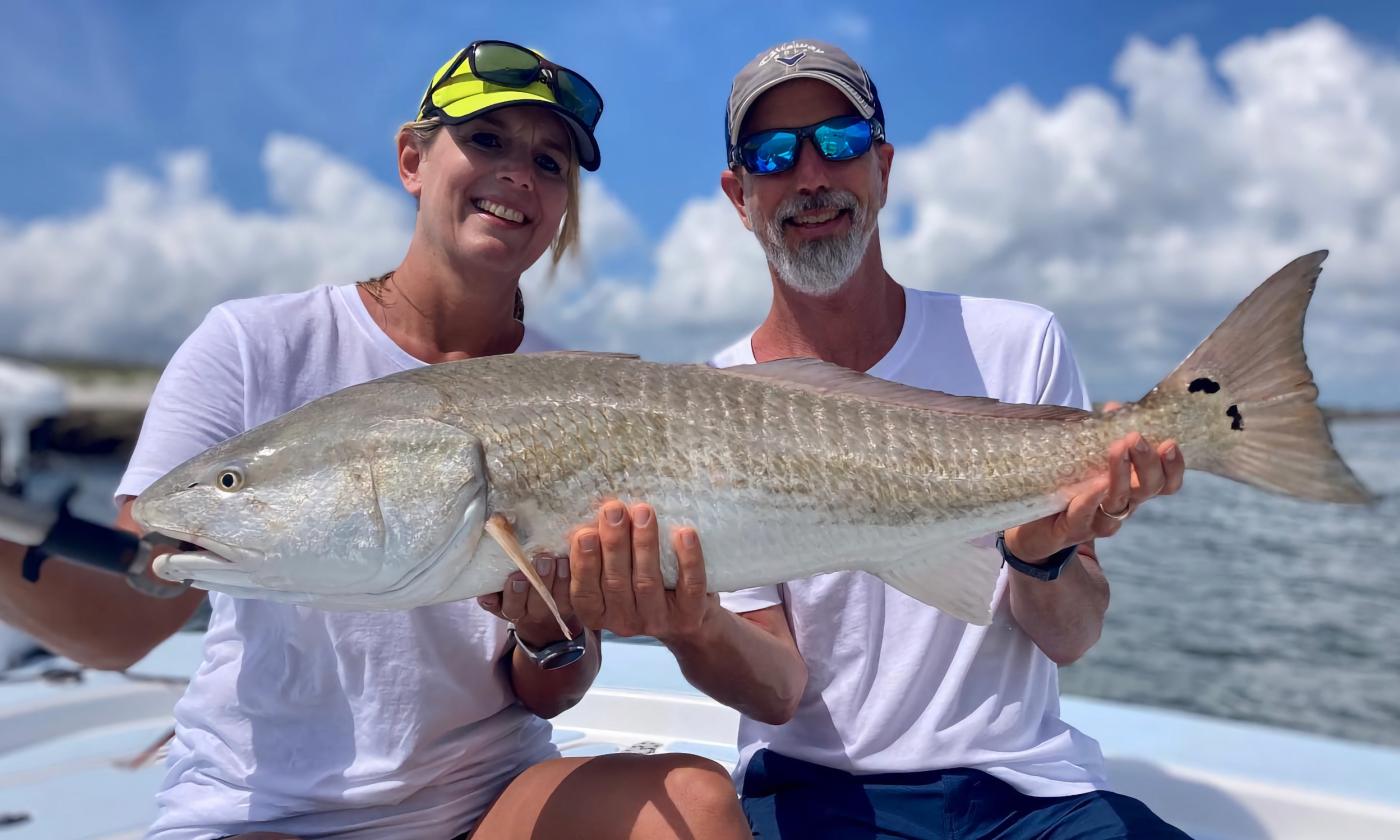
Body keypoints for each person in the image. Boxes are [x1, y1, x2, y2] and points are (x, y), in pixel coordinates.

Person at [0, 41, 747, 840]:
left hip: (488, 797)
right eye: (487, 139)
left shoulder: (579, 389)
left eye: (551, 162)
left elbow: (550, 690)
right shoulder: (254, 345)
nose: (520, 175)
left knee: (694, 808)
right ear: (411, 160)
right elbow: (127, 618)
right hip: (264, 812)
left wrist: (547, 636)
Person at [570, 40, 1192, 838]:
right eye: (771, 154)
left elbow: (1070, 637)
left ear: (883, 166)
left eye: (839, 141)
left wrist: (1043, 556)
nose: (809, 176)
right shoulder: (702, 402)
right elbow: (778, 690)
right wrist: (686, 625)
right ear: (738, 194)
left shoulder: (1017, 342)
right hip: (817, 791)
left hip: (1033, 794)